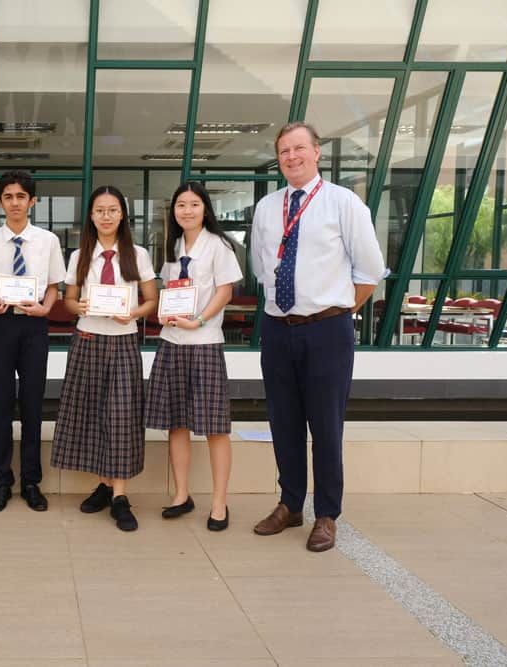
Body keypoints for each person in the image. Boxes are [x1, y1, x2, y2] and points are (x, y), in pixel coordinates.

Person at [251, 121, 386, 552]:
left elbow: (369, 272)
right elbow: (261, 267)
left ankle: (326, 514)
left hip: (327, 329)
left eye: (299, 149)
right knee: (283, 422)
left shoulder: (344, 204)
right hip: (277, 329)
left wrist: (336, 311)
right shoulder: (268, 207)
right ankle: (290, 504)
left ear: (316, 153)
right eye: (284, 151)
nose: (291, 157)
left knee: (326, 426)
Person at [51, 185, 158, 531]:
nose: (107, 216)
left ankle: (120, 496)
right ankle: (104, 484)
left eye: (113, 210)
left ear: (122, 214)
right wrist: (76, 305)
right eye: (100, 210)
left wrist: (135, 314)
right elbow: (68, 301)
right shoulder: (80, 254)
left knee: (122, 416)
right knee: (93, 412)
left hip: (123, 341)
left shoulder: (137, 253)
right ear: (92, 216)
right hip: (87, 341)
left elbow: (151, 300)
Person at [145, 182, 242, 531]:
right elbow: (171, 292)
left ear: (206, 209)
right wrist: (163, 312)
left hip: (203, 342)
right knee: (177, 423)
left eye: (194, 204)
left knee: (215, 427)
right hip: (172, 343)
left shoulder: (219, 246)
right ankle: (181, 494)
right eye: (180, 205)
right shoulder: (173, 247)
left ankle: (219, 502)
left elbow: (225, 290)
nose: (186, 211)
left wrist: (198, 319)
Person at [0, 170, 67, 513]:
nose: (15, 203)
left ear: (33, 201)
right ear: (0, 202)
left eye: (21, 197)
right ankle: (2, 482)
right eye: (8, 197)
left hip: (33, 328)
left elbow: (55, 284)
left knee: (32, 406)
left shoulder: (47, 241)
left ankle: (31, 481)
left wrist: (45, 307)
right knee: (1, 406)